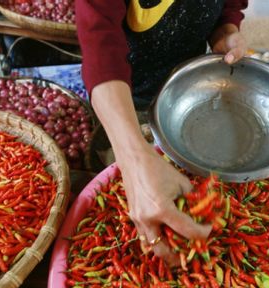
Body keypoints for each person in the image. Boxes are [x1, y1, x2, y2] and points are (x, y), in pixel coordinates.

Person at [76, 0, 248, 263]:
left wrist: (225, 31)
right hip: (125, 95)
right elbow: (101, 47)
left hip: (187, 89)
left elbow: (229, 6)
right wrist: (133, 159)